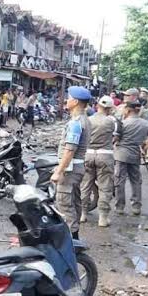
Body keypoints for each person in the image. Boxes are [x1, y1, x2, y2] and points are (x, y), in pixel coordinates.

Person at [51, 86, 91, 240]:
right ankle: (74, 237)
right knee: (74, 202)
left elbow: (69, 150)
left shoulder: (76, 123)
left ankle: (72, 241)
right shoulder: (84, 120)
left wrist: (58, 171)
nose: (66, 100)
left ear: (75, 101)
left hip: (70, 169)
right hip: (77, 166)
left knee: (65, 204)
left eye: (68, 97)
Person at [113, 99, 148, 216]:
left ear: (127, 110)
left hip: (121, 154)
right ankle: (136, 206)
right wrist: (145, 148)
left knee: (119, 181)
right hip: (136, 154)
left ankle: (120, 206)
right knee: (136, 181)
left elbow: (116, 138)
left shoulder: (122, 123)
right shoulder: (146, 124)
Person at [80, 96, 118, 227]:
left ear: (97, 105)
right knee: (105, 187)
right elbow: (117, 136)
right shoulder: (111, 121)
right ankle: (103, 218)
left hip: (88, 155)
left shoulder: (88, 120)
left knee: (85, 185)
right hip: (105, 155)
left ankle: (83, 214)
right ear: (110, 108)